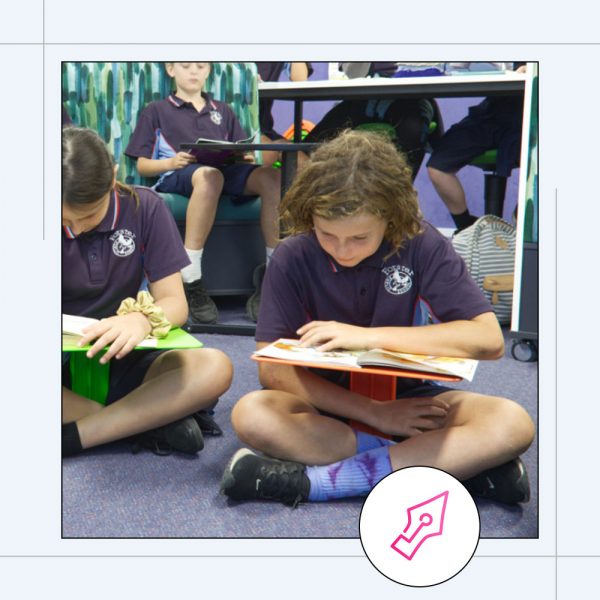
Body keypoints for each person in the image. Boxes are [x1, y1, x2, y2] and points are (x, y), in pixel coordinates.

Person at [220, 129, 535, 507]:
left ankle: (317, 483)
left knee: (513, 422)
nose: (342, 250)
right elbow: (274, 372)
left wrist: (369, 337)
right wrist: (376, 414)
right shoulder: (292, 256)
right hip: (326, 407)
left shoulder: (422, 242)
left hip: (412, 400)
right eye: (327, 234)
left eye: (360, 238)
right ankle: (449, 466)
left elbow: (489, 339)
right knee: (252, 414)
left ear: (390, 217)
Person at [62, 127, 233, 458]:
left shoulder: (145, 207)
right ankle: (143, 421)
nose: (75, 229)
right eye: (63, 218)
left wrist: (140, 320)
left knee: (215, 367)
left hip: (126, 358)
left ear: (113, 178)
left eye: (87, 216)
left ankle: (77, 435)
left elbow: (175, 304)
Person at [125, 62, 281, 324]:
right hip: (181, 173)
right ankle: (191, 275)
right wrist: (170, 163)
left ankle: (272, 272)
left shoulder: (223, 110)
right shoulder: (157, 110)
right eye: (186, 66)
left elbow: (242, 151)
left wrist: (240, 156)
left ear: (209, 71)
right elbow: (142, 164)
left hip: (226, 170)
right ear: (171, 70)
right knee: (210, 176)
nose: (194, 71)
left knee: (272, 177)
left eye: (200, 66)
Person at [427, 63, 527, 231]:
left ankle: (522, 230)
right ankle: (467, 230)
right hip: (491, 112)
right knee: (437, 167)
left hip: (531, 113)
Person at [302, 62, 439, 179]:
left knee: (413, 130)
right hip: (363, 98)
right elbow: (350, 72)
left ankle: (404, 196)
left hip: (411, 99)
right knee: (308, 148)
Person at [255, 62, 313, 167]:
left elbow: (300, 79)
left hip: (264, 128)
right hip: (235, 126)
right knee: (267, 154)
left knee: (306, 167)